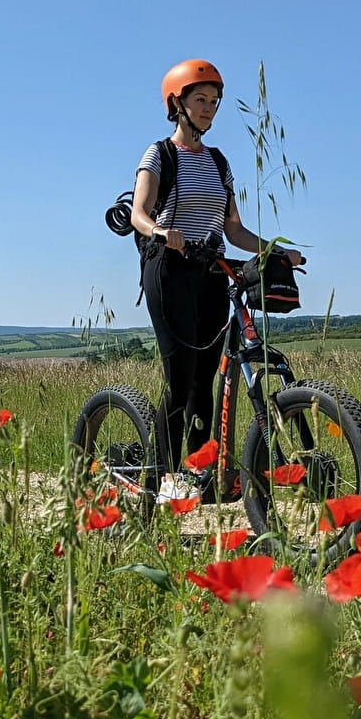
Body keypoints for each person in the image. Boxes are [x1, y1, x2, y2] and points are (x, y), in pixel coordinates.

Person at [129, 59, 304, 500]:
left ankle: (200, 470)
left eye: (214, 101)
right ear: (177, 104)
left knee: (206, 377)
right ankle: (163, 475)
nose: (209, 109)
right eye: (200, 100)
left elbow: (234, 230)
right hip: (167, 268)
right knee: (180, 373)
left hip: (211, 271)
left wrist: (274, 251)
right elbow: (139, 213)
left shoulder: (219, 162)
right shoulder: (159, 155)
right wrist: (163, 233)